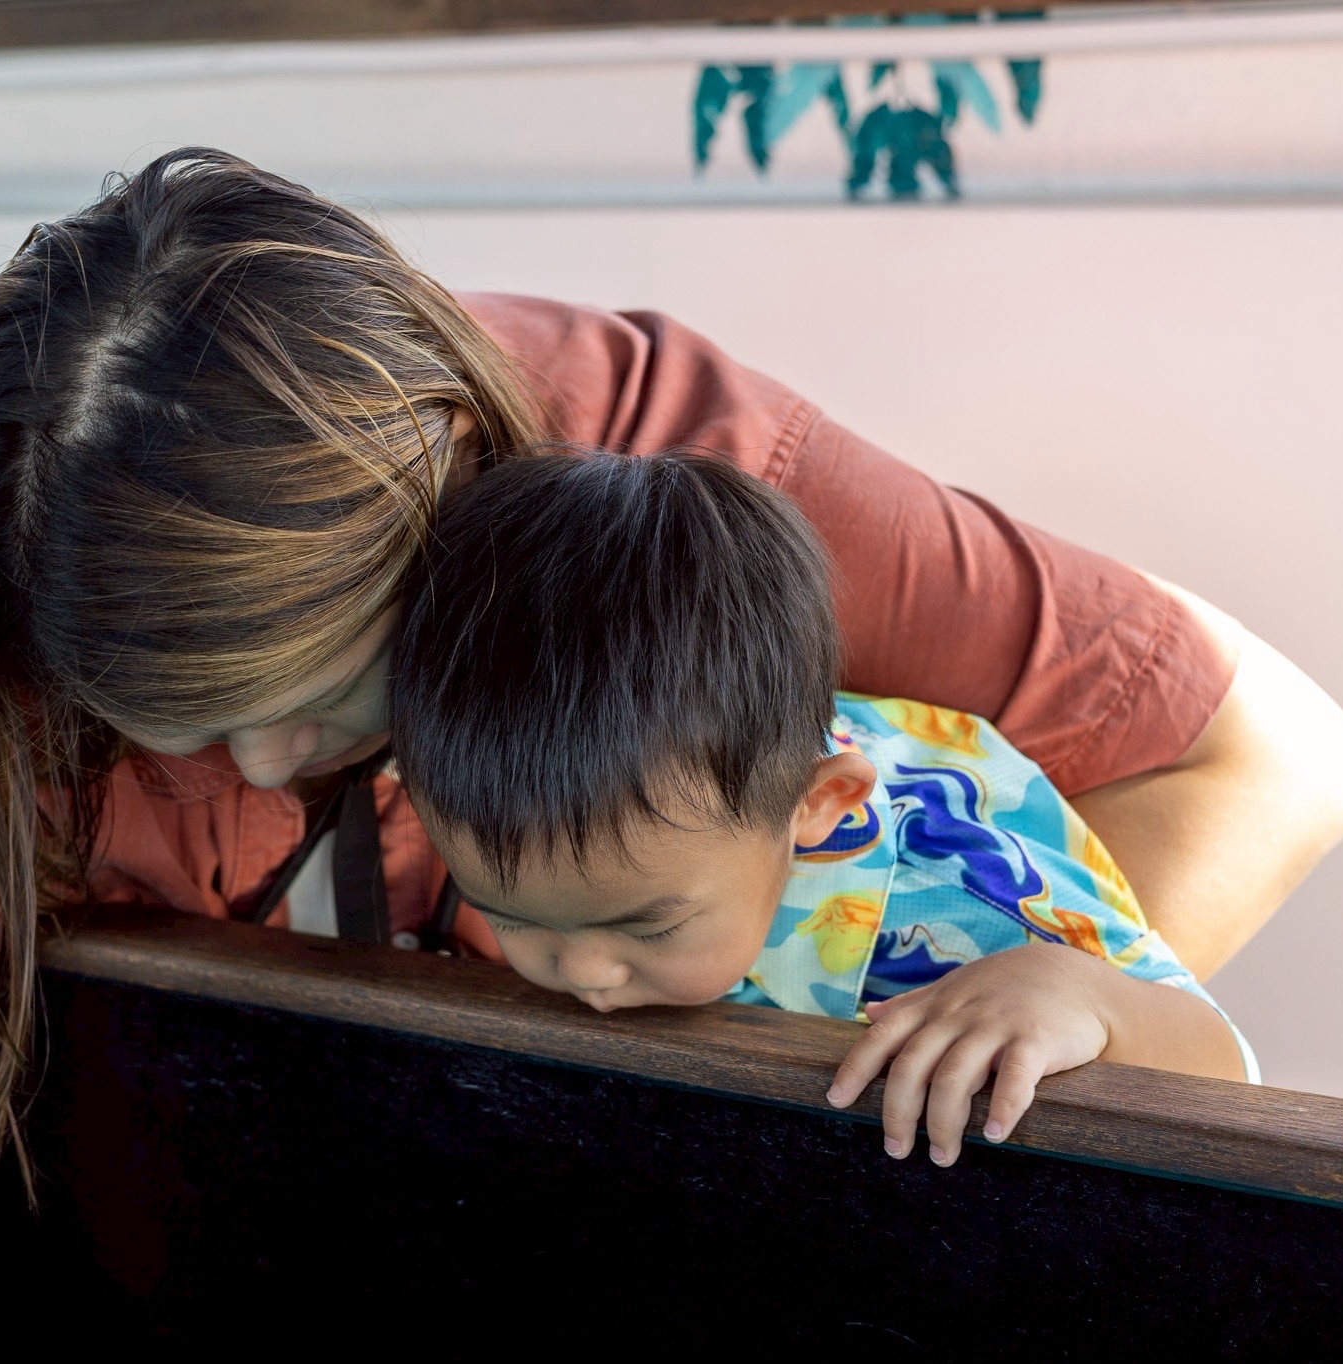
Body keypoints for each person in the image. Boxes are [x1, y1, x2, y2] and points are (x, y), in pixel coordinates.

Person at [0, 148, 1343, 1363]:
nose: (265, 764)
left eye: (333, 697)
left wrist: (914, 1129)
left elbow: (1269, 765)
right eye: (177, 733)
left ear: (463, 497)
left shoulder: (665, 489)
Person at [387, 448, 1260, 1171]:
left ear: (818, 806)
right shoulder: (531, 789)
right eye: (510, 917)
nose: (582, 971)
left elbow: (1235, 1080)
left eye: (647, 929)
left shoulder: (965, 912)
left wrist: (1083, 995)